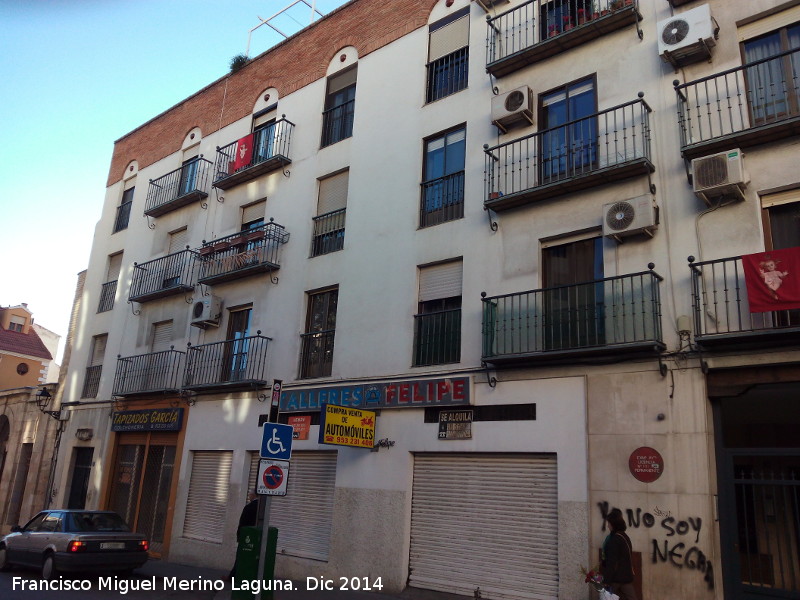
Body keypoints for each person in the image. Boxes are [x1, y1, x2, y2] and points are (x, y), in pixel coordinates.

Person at [601, 508, 639, 600]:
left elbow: (611, 562)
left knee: (607, 598)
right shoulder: (624, 536)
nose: (607, 526)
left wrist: (606, 581)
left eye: (609, 523)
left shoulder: (614, 540)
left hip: (616, 578)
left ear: (613, 524)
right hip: (626, 576)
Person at [230, 489, 259, 578]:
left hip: (246, 536)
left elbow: (242, 522)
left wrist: (239, 535)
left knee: (240, 556)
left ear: (253, 495)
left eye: (250, 495)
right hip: (256, 537)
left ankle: (233, 576)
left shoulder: (249, 507)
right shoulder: (261, 507)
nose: (249, 497)